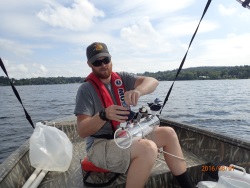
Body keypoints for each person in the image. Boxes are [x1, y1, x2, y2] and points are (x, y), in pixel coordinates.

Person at [74, 42, 194, 188]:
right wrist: (103, 115)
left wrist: (138, 91)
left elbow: (153, 81)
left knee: (168, 133)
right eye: (97, 62)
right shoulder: (85, 90)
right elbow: (82, 131)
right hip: (100, 145)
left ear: (110, 59)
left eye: (105, 60)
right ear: (89, 64)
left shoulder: (122, 78)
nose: (103, 65)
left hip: (125, 136)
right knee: (148, 148)